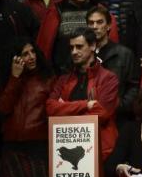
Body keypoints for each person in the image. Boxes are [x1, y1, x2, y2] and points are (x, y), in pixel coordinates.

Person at [0, 38, 56, 177]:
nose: (31, 57)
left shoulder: (47, 78)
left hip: (39, 146)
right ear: (16, 59)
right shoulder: (8, 79)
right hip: (14, 149)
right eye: (25, 54)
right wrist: (15, 78)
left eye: (32, 52)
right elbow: (3, 108)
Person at [46, 29, 119, 161]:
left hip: (100, 149)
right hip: (68, 146)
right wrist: (86, 105)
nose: (74, 52)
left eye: (79, 47)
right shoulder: (63, 80)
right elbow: (50, 108)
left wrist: (64, 109)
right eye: (71, 47)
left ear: (92, 46)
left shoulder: (108, 78)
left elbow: (102, 114)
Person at [86, 6, 139, 129]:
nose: (95, 26)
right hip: (88, 116)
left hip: (118, 118)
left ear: (109, 26)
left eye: (99, 22)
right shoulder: (82, 54)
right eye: (91, 23)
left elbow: (134, 86)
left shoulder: (124, 54)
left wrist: (120, 105)